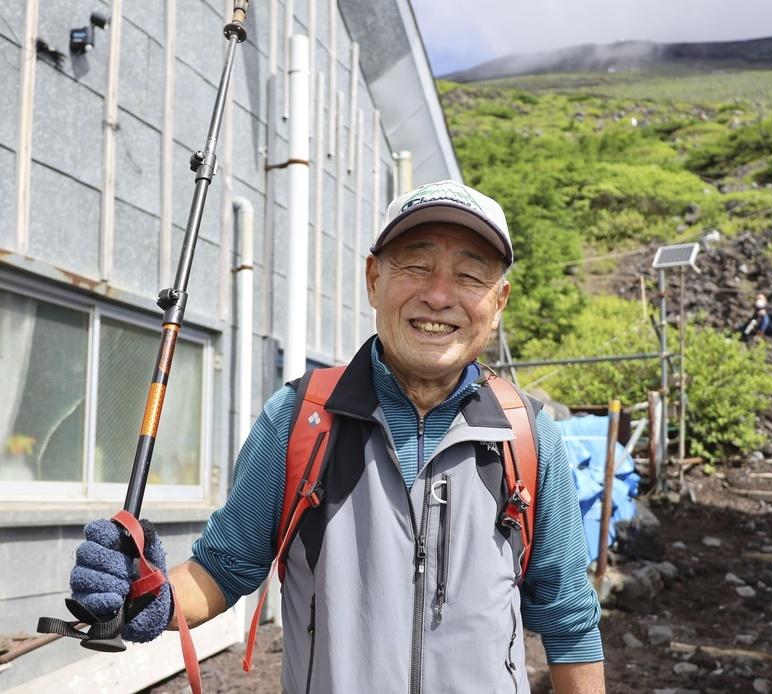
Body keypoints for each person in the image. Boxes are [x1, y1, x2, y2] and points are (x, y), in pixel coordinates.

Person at [67, 181, 605, 692]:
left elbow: (568, 618)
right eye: (416, 266)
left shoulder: (527, 436)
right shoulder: (299, 418)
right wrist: (147, 593)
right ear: (374, 279)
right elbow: (223, 569)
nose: (440, 296)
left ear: (499, 301)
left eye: (470, 276)